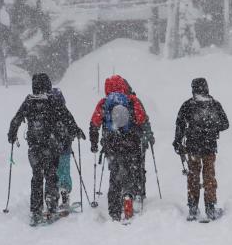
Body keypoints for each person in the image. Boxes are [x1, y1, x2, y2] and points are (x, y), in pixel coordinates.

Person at [8, 73, 84, 226]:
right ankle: (51, 205)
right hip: (51, 146)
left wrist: (12, 134)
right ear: (48, 85)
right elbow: (66, 116)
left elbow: (16, 119)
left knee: (36, 177)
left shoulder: (28, 101)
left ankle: (36, 211)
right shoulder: (53, 100)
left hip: (34, 148)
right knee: (51, 176)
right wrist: (76, 130)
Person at [89, 75, 149, 222]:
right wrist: (145, 135)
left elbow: (94, 124)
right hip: (131, 143)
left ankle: (114, 210)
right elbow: (142, 119)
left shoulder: (104, 103)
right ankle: (129, 196)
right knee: (132, 171)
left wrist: (94, 143)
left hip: (112, 145)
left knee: (115, 175)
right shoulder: (131, 100)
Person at [173, 77, 229, 221]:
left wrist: (178, 142)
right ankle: (210, 208)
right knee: (209, 176)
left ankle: (193, 208)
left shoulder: (187, 105)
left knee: (193, 176)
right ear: (206, 87)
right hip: (209, 147)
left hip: (192, 147)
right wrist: (211, 127)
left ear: (193, 89)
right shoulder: (215, 104)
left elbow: (179, 124)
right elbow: (225, 124)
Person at [48, 86, 84, 215]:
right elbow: (73, 125)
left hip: (51, 150)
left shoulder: (47, 112)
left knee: (52, 173)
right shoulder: (64, 111)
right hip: (65, 148)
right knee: (64, 172)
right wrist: (78, 132)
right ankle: (64, 196)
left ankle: (51, 198)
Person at [124, 80, 156, 204]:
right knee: (138, 167)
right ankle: (138, 193)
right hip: (137, 141)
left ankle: (126, 193)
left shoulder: (112, 102)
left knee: (123, 168)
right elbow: (144, 120)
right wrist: (149, 136)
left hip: (118, 142)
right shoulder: (134, 100)